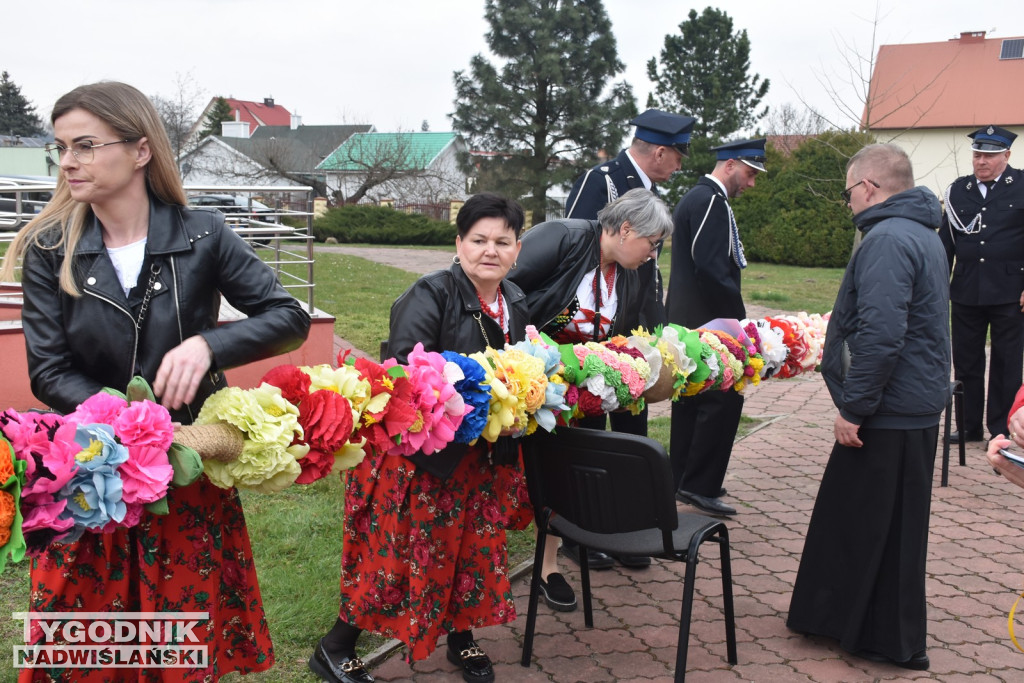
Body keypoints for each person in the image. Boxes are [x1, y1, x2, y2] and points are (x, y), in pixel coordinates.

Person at [1, 81, 311, 681]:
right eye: (61, 148)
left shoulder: (203, 234)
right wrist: (129, 434)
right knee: (87, 642)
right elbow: (49, 372)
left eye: (86, 145)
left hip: (190, 465)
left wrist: (208, 342)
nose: (68, 162)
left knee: (181, 630)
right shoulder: (50, 246)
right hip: (91, 469)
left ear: (140, 150)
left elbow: (289, 317)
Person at [311, 193, 532, 683]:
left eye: (502, 241)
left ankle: (463, 637)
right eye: (479, 240)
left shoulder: (514, 300)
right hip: (419, 457)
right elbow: (405, 383)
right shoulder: (430, 294)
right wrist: (482, 400)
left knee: (471, 549)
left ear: (517, 249)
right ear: (459, 243)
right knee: (393, 557)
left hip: (480, 456)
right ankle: (335, 647)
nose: (489, 251)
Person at [787, 143, 950, 671]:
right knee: (858, 520)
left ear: (868, 188)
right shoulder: (920, 232)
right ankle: (836, 619)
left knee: (885, 529)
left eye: (847, 192)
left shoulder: (887, 238)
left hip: (890, 410)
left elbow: (882, 334)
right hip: (907, 405)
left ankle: (888, 640)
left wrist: (854, 408)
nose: (848, 203)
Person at [508, 188, 673, 611]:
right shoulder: (563, 238)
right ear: (625, 228)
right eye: (652, 244)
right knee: (509, 473)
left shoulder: (630, 272)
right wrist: (530, 352)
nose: (653, 255)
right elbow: (505, 288)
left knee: (560, 469)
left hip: (578, 385)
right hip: (522, 370)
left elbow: (616, 330)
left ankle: (550, 565)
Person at [560, 109, 695, 571]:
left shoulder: (650, 192)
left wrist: (657, 329)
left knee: (634, 425)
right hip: (594, 326)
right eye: (677, 156)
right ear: (660, 151)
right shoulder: (601, 180)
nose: (678, 166)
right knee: (593, 428)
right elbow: (575, 253)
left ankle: (632, 524)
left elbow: (649, 268)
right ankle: (584, 532)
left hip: (634, 324)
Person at [665, 138, 766, 517]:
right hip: (708, 321)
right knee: (721, 398)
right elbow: (709, 266)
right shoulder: (709, 199)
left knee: (693, 401)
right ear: (730, 165)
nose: (751, 183)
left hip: (693, 319)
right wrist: (737, 321)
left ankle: (683, 476)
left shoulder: (705, 197)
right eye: (750, 173)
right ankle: (698, 484)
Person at [940, 125, 1024, 443]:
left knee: (1007, 362)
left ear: (1007, 155)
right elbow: (946, 244)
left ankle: (1001, 428)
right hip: (966, 291)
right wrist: (936, 284)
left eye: (989, 155)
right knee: (967, 360)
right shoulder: (958, 191)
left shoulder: (1022, 186)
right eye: (977, 155)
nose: (981, 162)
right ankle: (969, 426)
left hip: (1010, 293)